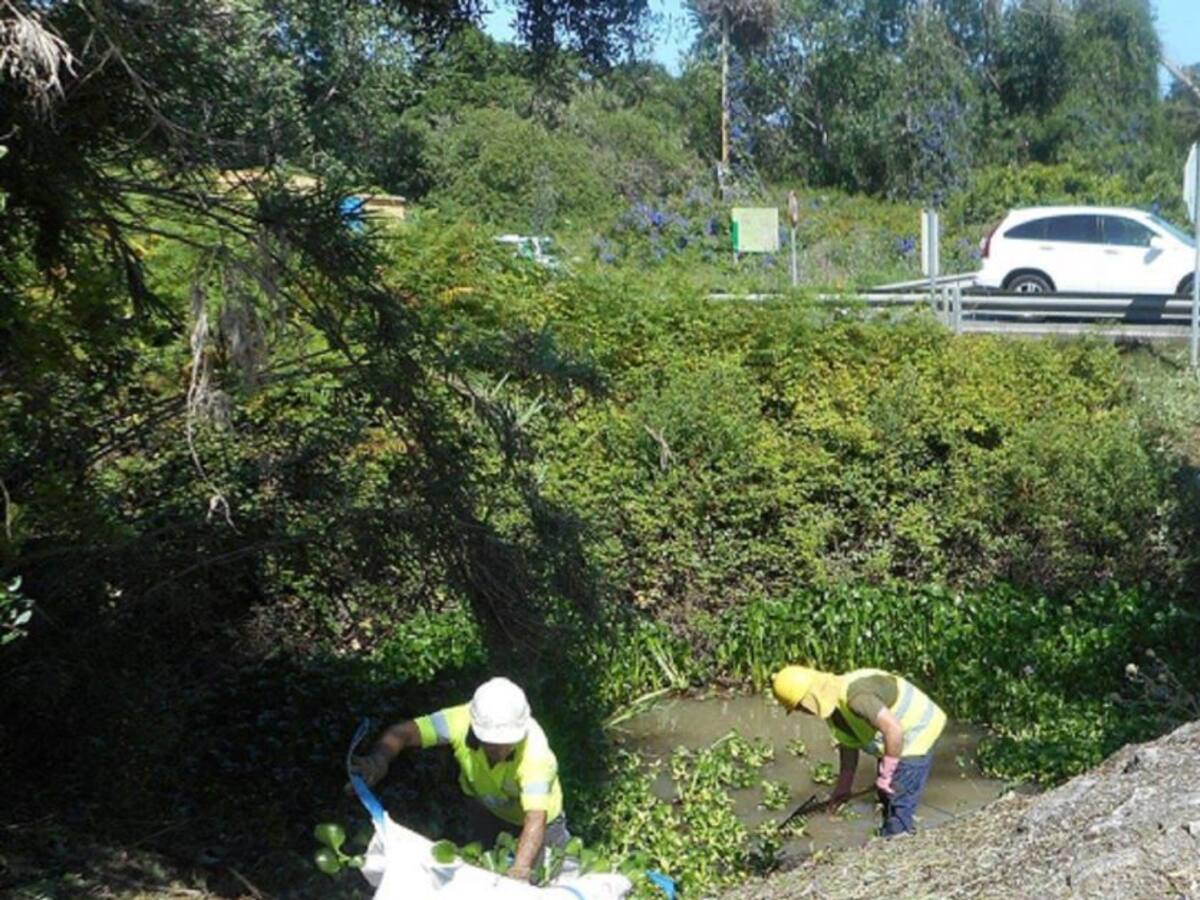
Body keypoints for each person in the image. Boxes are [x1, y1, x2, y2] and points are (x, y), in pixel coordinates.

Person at [350, 677, 568, 882]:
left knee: (544, 883)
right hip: (486, 812)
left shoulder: (536, 756)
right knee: (484, 875)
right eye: (491, 742)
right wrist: (379, 760)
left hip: (542, 829)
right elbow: (403, 733)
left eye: (506, 742)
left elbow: (535, 819)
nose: (498, 749)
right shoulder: (459, 721)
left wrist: (520, 871)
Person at [771, 665, 946, 836]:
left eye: (800, 707)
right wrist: (843, 787)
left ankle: (900, 837)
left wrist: (886, 775)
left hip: (915, 733)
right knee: (886, 798)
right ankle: (891, 835)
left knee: (899, 801)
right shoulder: (833, 708)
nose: (803, 712)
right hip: (893, 741)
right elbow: (849, 744)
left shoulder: (857, 697)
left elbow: (894, 730)